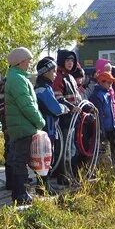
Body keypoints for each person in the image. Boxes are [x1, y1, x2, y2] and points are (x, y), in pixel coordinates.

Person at [5, 47, 45, 204]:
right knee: (20, 161)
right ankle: (20, 195)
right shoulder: (17, 79)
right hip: (23, 127)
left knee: (19, 160)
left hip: (21, 126)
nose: (29, 63)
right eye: (27, 60)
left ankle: (21, 193)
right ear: (20, 62)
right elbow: (27, 105)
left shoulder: (17, 77)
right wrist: (39, 121)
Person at [34, 57, 68, 194]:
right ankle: (44, 186)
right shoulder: (43, 89)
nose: (55, 74)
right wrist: (64, 108)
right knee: (46, 157)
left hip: (48, 128)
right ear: (45, 72)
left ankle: (43, 185)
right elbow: (55, 109)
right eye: (53, 71)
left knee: (45, 157)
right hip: (46, 129)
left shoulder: (44, 87)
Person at [52, 50, 82, 184]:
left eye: (72, 60)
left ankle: (70, 174)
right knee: (63, 148)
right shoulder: (58, 77)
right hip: (64, 120)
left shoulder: (70, 77)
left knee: (71, 148)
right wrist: (71, 107)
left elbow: (77, 98)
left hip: (73, 119)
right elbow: (58, 98)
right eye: (67, 60)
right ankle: (62, 176)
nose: (70, 63)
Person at [89, 71, 115, 167]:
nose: (111, 85)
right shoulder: (97, 96)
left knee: (111, 149)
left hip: (110, 127)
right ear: (101, 82)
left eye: (111, 83)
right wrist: (101, 129)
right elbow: (98, 114)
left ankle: (112, 166)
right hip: (102, 128)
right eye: (109, 82)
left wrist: (113, 125)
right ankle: (100, 168)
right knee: (101, 151)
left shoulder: (107, 94)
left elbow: (110, 112)